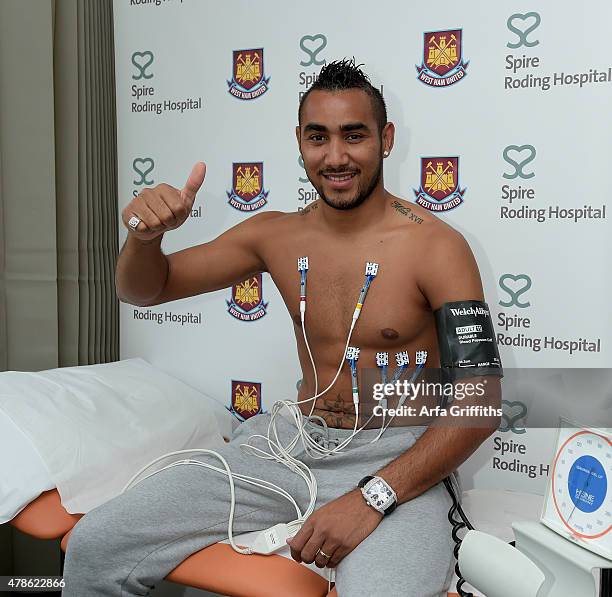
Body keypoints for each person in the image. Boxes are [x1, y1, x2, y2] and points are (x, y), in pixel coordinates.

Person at [62, 59, 501, 597]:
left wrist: (372, 497)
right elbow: (144, 289)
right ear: (299, 141)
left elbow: (480, 404)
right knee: (97, 543)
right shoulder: (275, 234)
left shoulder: (438, 247)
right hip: (291, 447)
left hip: (396, 458)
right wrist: (146, 238)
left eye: (354, 136)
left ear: (385, 139)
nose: (335, 156)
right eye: (318, 137)